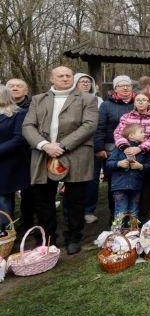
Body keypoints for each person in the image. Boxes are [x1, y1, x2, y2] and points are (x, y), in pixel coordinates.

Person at [22, 66, 98, 254]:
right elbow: (28, 126)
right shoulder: (38, 100)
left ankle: (73, 237)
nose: (65, 78)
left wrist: (62, 145)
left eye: (68, 75)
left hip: (76, 152)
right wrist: (44, 145)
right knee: (43, 198)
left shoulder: (87, 99)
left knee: (74, 199)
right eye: (60, 75)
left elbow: (89, 125)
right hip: (43, 153)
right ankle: (47, 238)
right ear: (51, 79)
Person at [112, 92, 150, 222]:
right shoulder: (126, 117)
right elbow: (118, 133)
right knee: (123, 193)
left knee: (145, 193)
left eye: (144, 100)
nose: (140, 102)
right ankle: (120, 225)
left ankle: (144, 223)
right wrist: (126, 148)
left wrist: (140, 148)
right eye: (138, 100)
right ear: (134, 102)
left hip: (146, 155)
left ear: (149, 102)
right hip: (125, 153)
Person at [94, 75, 135, 218]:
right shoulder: (106, 105)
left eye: (128, 85)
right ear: (115, 89)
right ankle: (116, 216)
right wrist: (99, 148)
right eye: (121, 86)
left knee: (134, 182)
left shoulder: (138, 102)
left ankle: (134, 216)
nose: (125, 88)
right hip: (113, 150)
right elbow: (100, 127)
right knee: (116, 184)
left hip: (137, 148)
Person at [105, 124, 150, 220]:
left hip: (136, 186)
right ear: (131, 136)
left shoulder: (143, 150)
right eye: (141, 132)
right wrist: (118, 164)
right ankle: (118, 233)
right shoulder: (119, 149)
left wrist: (141, 166)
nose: (144, 134)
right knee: (121, 211)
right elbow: (109, 163)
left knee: (134, 211)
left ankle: (132, 233)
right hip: (120, 186)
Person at [73, 72, 102, 224]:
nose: (85, 84)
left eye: (87, 82)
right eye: (81, 81)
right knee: (73, 181)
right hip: (73, 146)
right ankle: (73, 211)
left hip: (93, 146)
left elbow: (100, 125)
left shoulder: (99, 101)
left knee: (92, 179)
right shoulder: (69, 100)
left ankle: (88, 210)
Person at [0, 85, 30, 230]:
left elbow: (19, 138)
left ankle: (6, 232)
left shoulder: (18, 113)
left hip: (9, 164)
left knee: (4, 198)